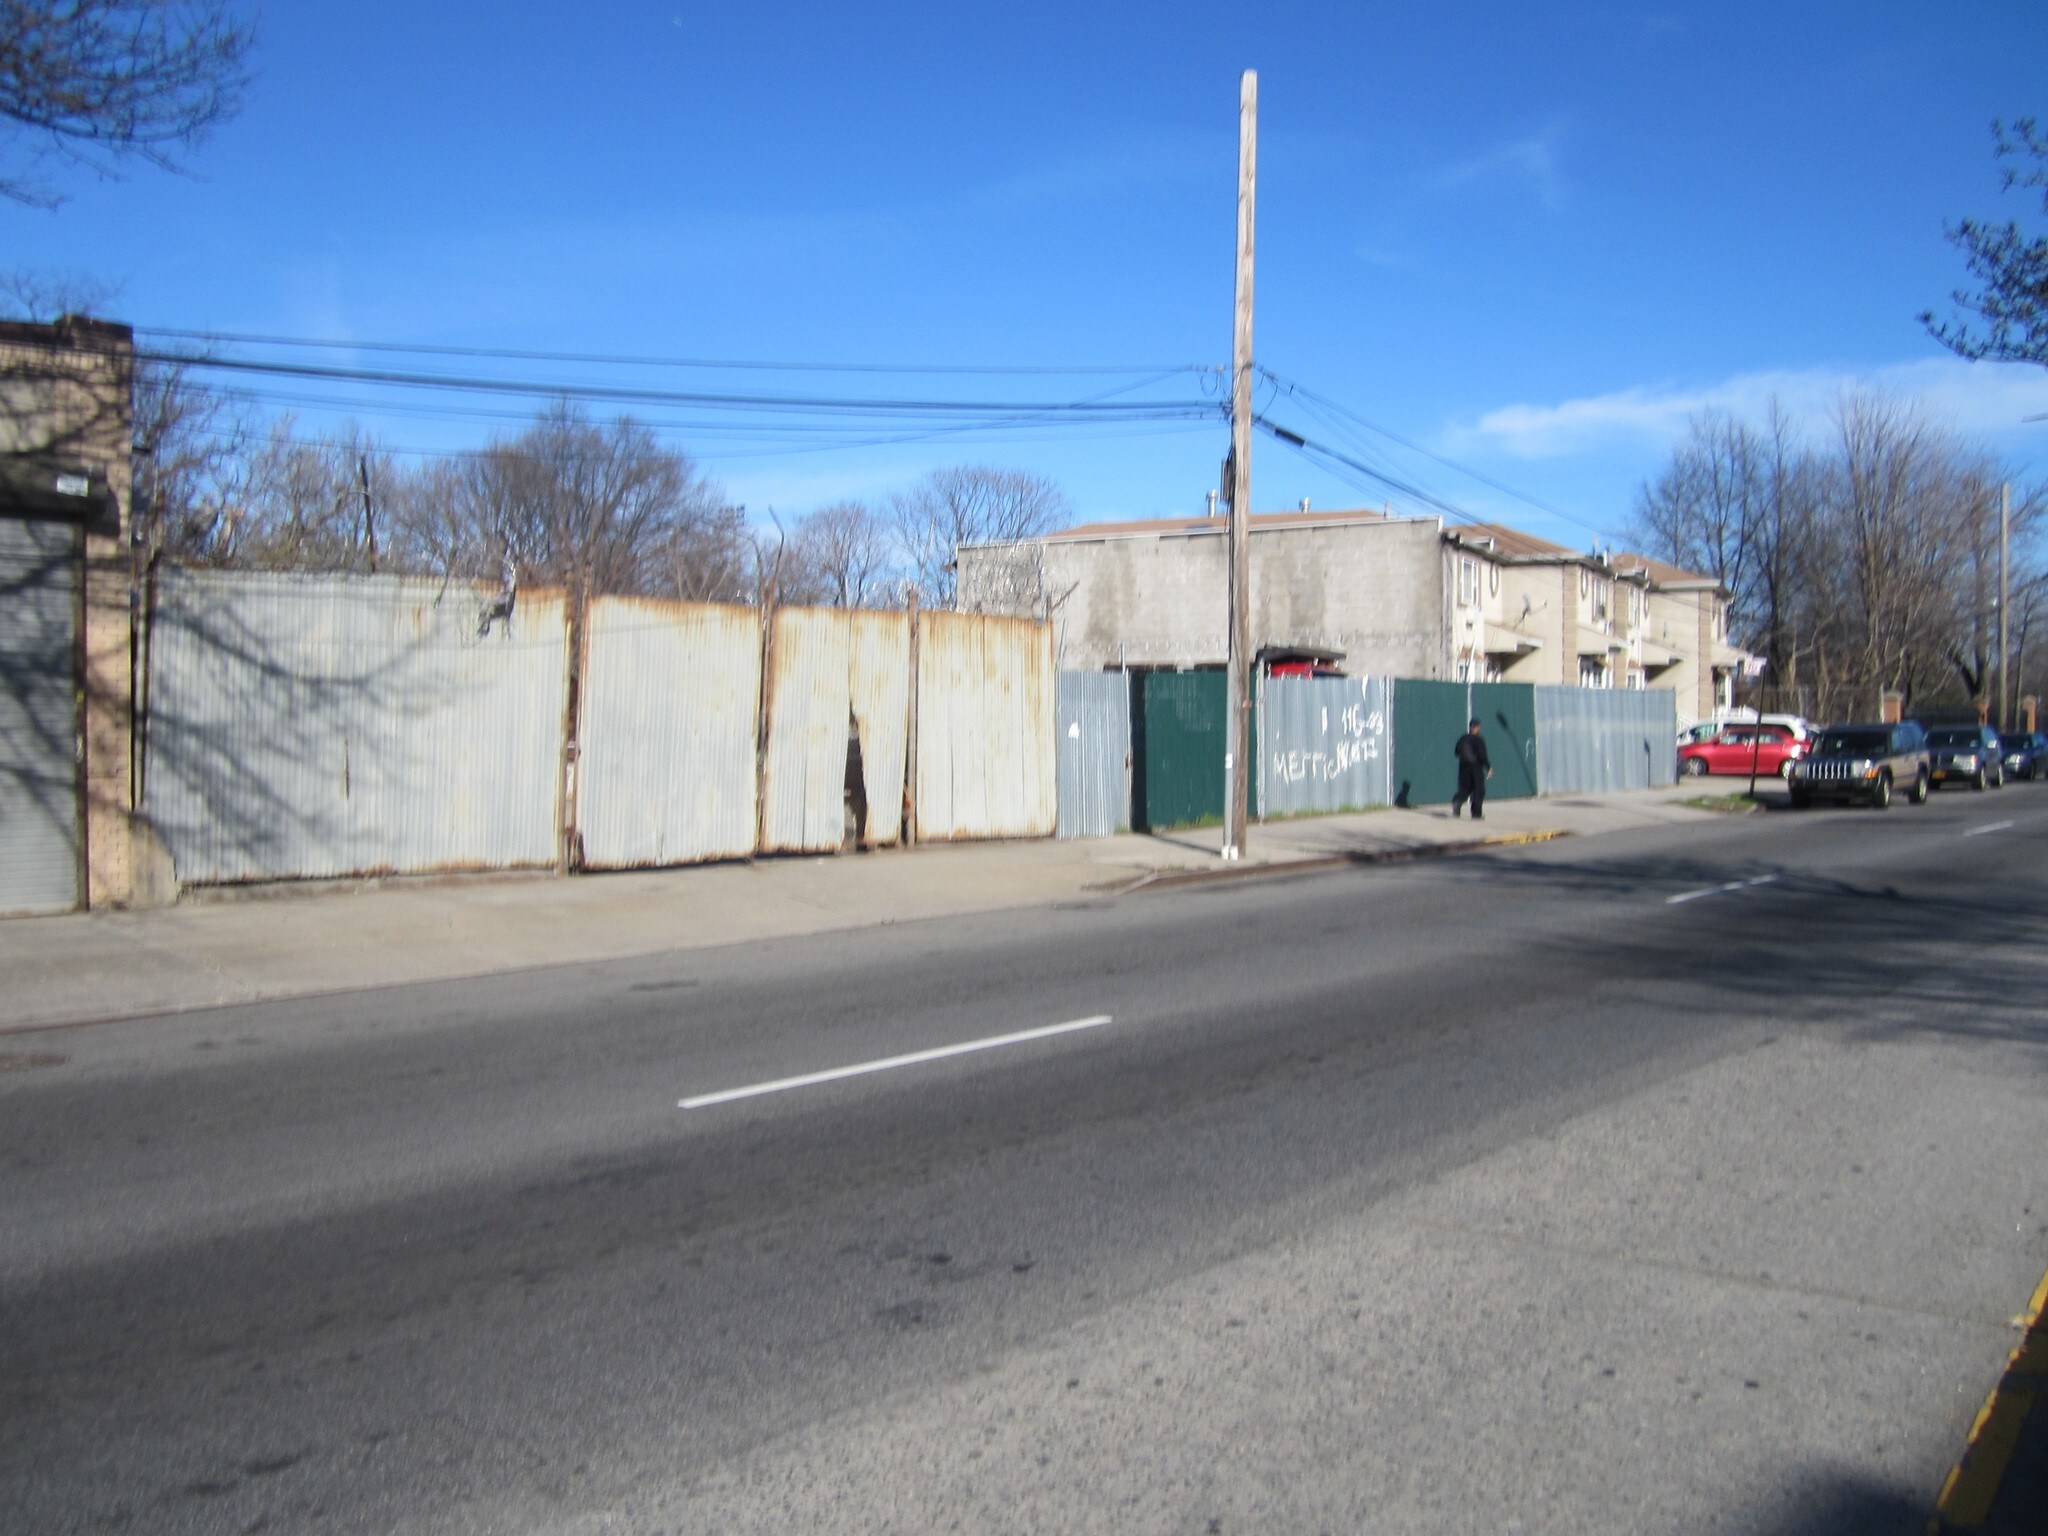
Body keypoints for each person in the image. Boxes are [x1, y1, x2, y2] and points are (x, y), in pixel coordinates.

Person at [1450, 717, 1491, 819]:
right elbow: (1482, 755)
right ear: (1476, 727)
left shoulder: (1462, 738)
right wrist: (1488, 767)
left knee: (1465, 789)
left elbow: (1456, 752)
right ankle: (1476, 814)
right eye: (1478, 726)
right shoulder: (1479, 740)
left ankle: (1457, 801)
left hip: (1463, 767)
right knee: (1479, 790)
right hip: (1476, 767)